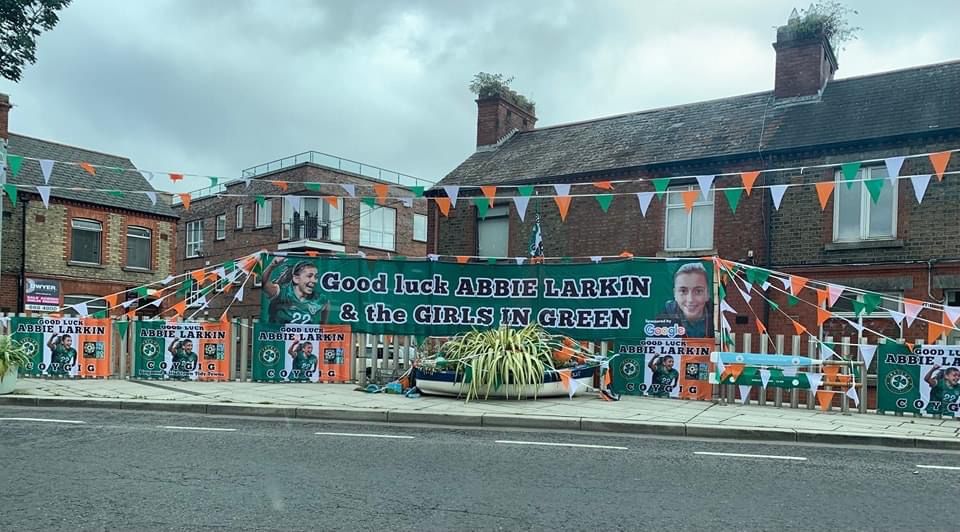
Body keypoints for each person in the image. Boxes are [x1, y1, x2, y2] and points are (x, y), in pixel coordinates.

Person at [262, 257, 330, 325]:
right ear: (296, 279)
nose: (314, 281)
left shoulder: (320, 298)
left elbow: (326, 304)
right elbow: (264, 284)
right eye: (309, 276)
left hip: (304, 335)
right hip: (280, 334)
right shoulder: (282, 292)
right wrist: (272, 266)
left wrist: (323, 323)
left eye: (316, 277)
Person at [656, 262, 714, 338]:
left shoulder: (718, 316)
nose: (690, 299)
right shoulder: (662, 322)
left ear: (707, 294)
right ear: (675, 294)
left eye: (698, 291)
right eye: (683, 291)